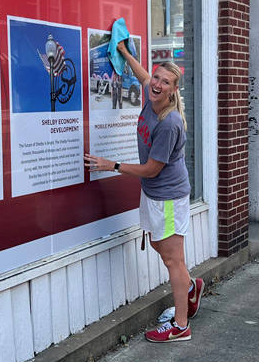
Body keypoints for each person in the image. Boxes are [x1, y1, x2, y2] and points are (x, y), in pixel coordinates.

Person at [84, 42, 203, 343]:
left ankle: (180, 325)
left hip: (167, 195)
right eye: (157, 77)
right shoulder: (152, 96)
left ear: (174, 90)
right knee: (159, 247)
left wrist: (112, 165)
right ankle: (190, 289)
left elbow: (151, 169)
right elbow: (142, 76)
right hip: (152, 194)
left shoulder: (169, 123)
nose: (157, 83)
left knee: (172, 259)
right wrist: (123, 52)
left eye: (165, 81)